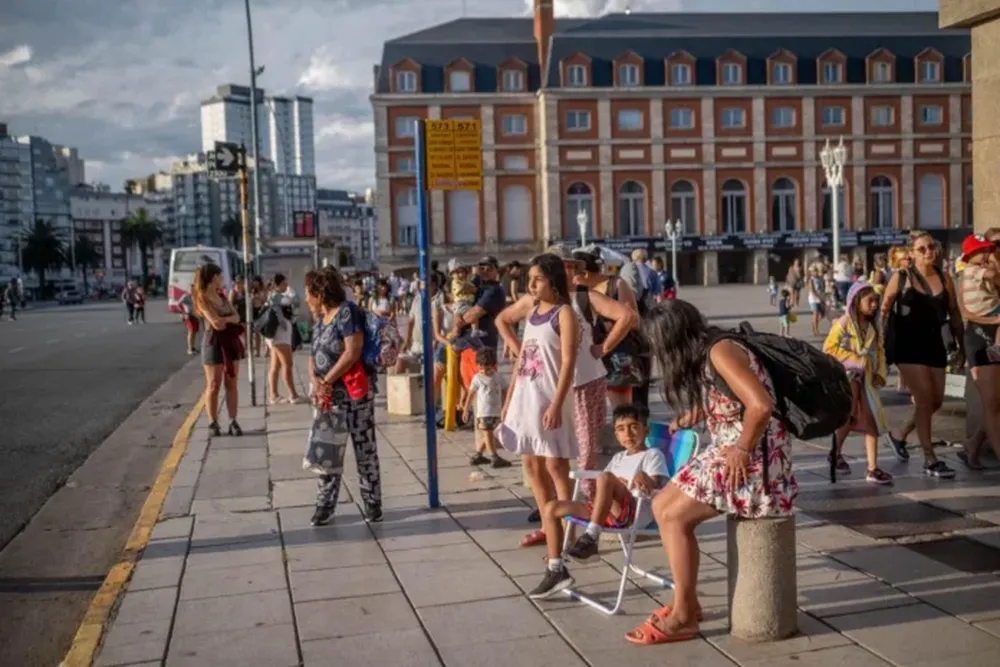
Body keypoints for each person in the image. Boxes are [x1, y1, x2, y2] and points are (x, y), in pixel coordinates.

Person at [628, 299, 798, 646]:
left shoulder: (721, 352)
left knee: (673, 517)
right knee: (661, 506)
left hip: (755, 462)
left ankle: (684, 615)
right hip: (731, 451)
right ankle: (687, 601)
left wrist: (742, 449)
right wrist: (697, 413)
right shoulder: (710, 349)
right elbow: (732, 397)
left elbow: (760, 405)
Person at [529, 403, 669, 599]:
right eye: (621, 429)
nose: (628, 434)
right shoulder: (618, 457)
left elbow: (656, 485)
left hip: (634, 514)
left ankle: (591, 538)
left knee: (605, 477)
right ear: (616, 435)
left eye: (634, 427)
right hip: (607, 512)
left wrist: (642, 478)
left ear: (646, 430)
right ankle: (556, 570)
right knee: (551, 507)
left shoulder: (652, 455)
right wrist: (608, 487)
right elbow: (603, 487)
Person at [496, 253, 579, 547]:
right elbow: (523, 358)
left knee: (556, 466)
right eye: (529, 279)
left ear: (553, 280)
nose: (531, 285)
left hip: (550, 396)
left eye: (538, 279)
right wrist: (509, 399)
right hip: (526, 396)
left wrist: (556, 404)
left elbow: (568, 362)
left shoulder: (564, 314)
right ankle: (548, 527)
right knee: (532, 466)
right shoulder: (531, 311)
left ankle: (569, 531)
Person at [881, 231, 964, 478]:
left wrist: (961, 345)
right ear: (912, 253)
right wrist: (877, 346)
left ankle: (900, 434)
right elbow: (883, 311)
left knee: (936, 401)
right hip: (907, 345)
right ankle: (930, 458)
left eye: (932, 247)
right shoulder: (901, 277)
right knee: (925, 399)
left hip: (934, 344)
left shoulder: (944, 277)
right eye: (922, 249)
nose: (929, 252)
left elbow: (954, 312)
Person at [304, 267, 383, 526]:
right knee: (327, 451)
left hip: (354, 394)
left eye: (308, 293)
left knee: (364, 448)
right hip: (328, 398)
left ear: (320, 293)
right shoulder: (320, 320)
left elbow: (353, 350)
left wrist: (327, 380)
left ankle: (372, 502)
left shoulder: (347, 312)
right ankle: (325, 505)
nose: (306, 299)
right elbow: (312, 355)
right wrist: (315, 380)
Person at [824, 282, 893, 485]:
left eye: (876, 301)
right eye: (870, 301)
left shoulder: (873, 326)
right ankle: (835, 453)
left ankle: (872, 468)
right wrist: (856, 360)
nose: (874, 305)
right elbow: (829, 349)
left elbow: (880, 350)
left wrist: (880, 372)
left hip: (866, 379)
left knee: (871, 418)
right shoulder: (844, 324)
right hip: (847, 377)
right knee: (850, 417)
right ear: (856, 301)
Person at [192, 264, 244, 437]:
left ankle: (233, 420)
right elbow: (215, 323)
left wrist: (226, 319)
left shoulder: (222, 296)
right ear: (214, 277)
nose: (222, 279)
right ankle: (212, 422)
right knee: (214, 384)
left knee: (232, 382)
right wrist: (228, 319)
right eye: (220, 276)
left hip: (230, 341)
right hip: (212, 342)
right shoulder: (202, 298)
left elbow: (237, 317)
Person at [454, 256, 507, 392]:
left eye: (489, 268)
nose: (485, 271)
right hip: (467, 346)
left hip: (482, 349)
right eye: (482, 268)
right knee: (468, 390)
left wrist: (458, 322)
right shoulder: (477, 285)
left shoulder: (494, 291)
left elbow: (473, 315)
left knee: (484, 392)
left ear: (496, 271)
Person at [463, 347, 510, 468]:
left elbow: (505, 390)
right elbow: (471, 394)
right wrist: (466, 408)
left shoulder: (498, 377)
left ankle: (478, 455)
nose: (484, 371)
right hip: (484, 413)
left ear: (494, 366)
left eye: (488, 368)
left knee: (489, 434)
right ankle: (494, 457)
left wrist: (506, 404)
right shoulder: (477, 378)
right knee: (488, 434)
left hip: (496, 412)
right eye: (481, 368)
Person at [957, 234, 1000, 362]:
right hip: (983, 309)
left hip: (983, 309)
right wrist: (992, 267)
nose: (986, 254)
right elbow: (991, 275)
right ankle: (997, 346)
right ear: (970, 255)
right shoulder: (973, 269)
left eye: (987, 251)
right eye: (981, 251)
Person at [266, 274, 303, 405]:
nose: (286, 286)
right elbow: (296, 301)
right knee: (287, 364)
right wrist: (292, 291)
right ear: (277, 284)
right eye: (284, 284)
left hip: (278, 335)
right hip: (279, 335)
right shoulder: (276, 296)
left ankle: (274, 395)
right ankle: (293, 395)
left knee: (275, 366)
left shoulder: (273, 295)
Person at [447, 260, 485, 350]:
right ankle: (475, 331)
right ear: (452, 275)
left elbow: (474, 289)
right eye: (457, 273)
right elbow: (461, 290)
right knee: (473, 316)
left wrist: (470, 288)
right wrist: (469, 288)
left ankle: (454, 340)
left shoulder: (467, 281)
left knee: (458, 324)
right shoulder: (456, 282)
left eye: (462, 272)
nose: (460, 275)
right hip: (462, 304)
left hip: (464, 304)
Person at [807, 266, 826, 336]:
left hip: (821, 298)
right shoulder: (811, 280)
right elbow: (812, 290)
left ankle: (814, 324)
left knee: (822, 314)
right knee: (816, 313)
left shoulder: (820, 278)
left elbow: (823, 288)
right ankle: (816, 329)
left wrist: (823, 297)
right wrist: (819, 298)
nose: (816, 272)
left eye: (816, 271)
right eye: (814, 271)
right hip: (813, 299)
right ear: (811, 273)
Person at [179, 287, 199, 355]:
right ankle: (189, 349)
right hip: (189, 315)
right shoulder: (185, 296)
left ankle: (193, 347)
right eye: (191, 289)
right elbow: (178, 304)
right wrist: (183, 313)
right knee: (191, 331)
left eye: (194, 289)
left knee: (194, 331)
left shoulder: (194, 296)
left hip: (195, 315)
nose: (193, 291)